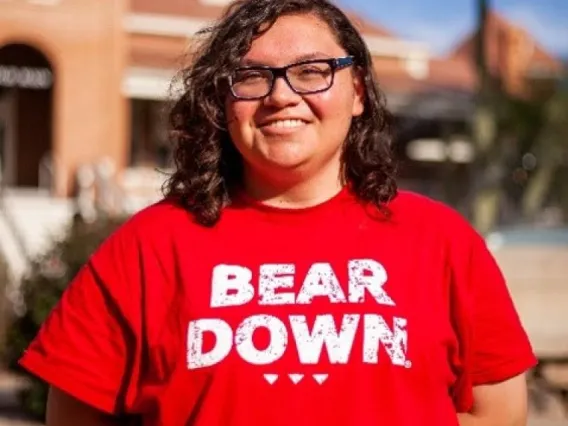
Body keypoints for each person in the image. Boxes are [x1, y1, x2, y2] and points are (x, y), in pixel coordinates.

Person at [19, 0, 537, 425]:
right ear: (223, 104)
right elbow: (75, 417)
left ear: (357, 91)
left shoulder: (440, 239)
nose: (281, 96)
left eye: (312, 71)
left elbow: (497, 411)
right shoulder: (148, 245)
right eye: (250, 77)